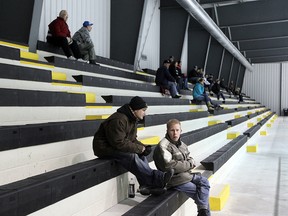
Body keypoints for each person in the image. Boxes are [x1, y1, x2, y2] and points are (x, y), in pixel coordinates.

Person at [92, 96, 174, 195]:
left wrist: (143, 147)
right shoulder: (119, 119)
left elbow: (132, 139)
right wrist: (140, 148)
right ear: (136, 109)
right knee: (131, 156)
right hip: (104, 148)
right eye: (143, 110)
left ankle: (146, 185)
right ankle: (158, 178)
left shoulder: (131, 119)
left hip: (113, 146)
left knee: (140, 154)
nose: (145, 113)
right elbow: (119, 143)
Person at [153, 119, 211, 216]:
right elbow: (169, 166)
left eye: (177, 130)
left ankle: (202, 212)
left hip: (185, 176)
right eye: (172, 130)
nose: (175, 133)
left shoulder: (182, 145)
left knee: (205, 183)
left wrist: (186, 163)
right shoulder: (163, 146)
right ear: (167, 131)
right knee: (202, 195)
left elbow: (190, 159)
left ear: (181, 131)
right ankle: (203, 212)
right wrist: (188, 164)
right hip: (173, 180)